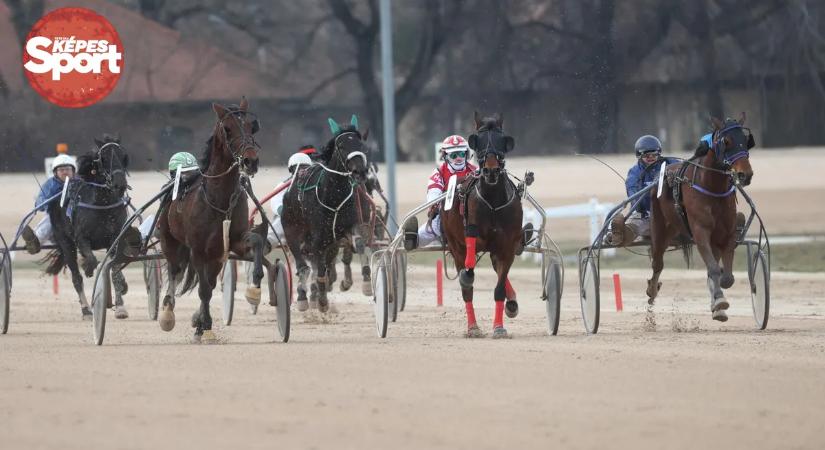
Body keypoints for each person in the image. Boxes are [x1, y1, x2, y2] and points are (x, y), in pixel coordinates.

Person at [404, 135, 477, 250]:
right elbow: (434, 193)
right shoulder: (438, 173)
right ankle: (413, 240)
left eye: (462, 154)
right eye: (454, 155)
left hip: (473, 215)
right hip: (446, 215)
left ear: (467, 154)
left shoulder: (476, 171)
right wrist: (435, 204)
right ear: (445, 156)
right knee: (432, 228)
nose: (459, 158)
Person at [609, 135, 679, 245]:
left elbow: (685, 170)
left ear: (659, 153)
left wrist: (675, 175)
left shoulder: (671, 163)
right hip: (647, 215)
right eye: (647, 155)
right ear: (639, 156)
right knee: (637, 225)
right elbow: (633, 191)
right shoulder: (635, 172)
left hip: (673, 214)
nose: (651, 157)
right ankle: (619, 235)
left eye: (654, 154)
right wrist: (639, 202)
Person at [21, 154, 77, 254]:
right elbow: (40, 201)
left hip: (77, 222)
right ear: (55, 172)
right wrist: (47, 204)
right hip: (58, 228)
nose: (65, 172)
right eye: (61, 169)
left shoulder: (80, 183)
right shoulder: (50, 184)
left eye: (68, 169)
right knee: (53, 216)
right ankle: (36, 241)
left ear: (73, 171)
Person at [138, 152, 199, 241]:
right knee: (153, 219)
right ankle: (138, 238)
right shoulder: (169, 187)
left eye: (190, 172)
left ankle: (139, 237)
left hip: (185, 226)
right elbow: (162, 197)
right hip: (169, 226)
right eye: (185, 173)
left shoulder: (200, 187)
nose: (188, 176)